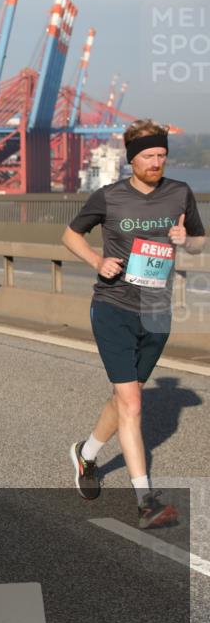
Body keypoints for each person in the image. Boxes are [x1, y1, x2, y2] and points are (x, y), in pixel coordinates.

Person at [62, 119, 205, 529]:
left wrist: (186, 241)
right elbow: (71, 235)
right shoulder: (109, 197)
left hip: (157, 311)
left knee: (125, 398)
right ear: (131, 159)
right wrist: (96, 260)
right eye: (149, 156)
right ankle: (146, 502)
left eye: (161, 155)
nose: (157, 162)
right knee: (133, 403)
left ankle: (86, 454)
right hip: (113, 307)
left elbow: (199, 239)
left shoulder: (179, 192)